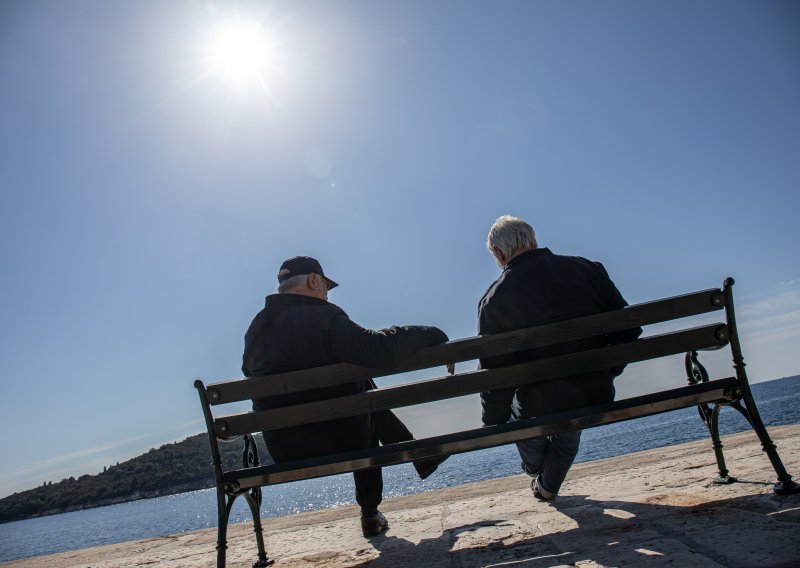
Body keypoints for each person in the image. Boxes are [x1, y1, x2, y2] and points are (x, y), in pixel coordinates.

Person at [242, 256, 449, 537]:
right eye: (326, 285)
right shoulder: (324, 316)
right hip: (345, 442)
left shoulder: (256, 328)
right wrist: (430, 332)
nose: (327, 293)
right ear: (313, 280)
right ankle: (370, 511)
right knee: (360, 393)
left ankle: (420, 457)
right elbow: (378, 348)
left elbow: (248, 370)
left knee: (357, 389)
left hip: (285, 448)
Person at [478, 216, 642, 501]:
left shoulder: (495, 299)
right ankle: (546, 487)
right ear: (532, 240)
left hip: (538, 403)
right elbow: (628, 331)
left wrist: (494, 422)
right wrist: (606, 371)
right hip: (594, 391)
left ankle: (535, 471)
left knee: (527, 414)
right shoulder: (588, 270)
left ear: (500, 253)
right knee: (571, 415)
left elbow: (495, 375)